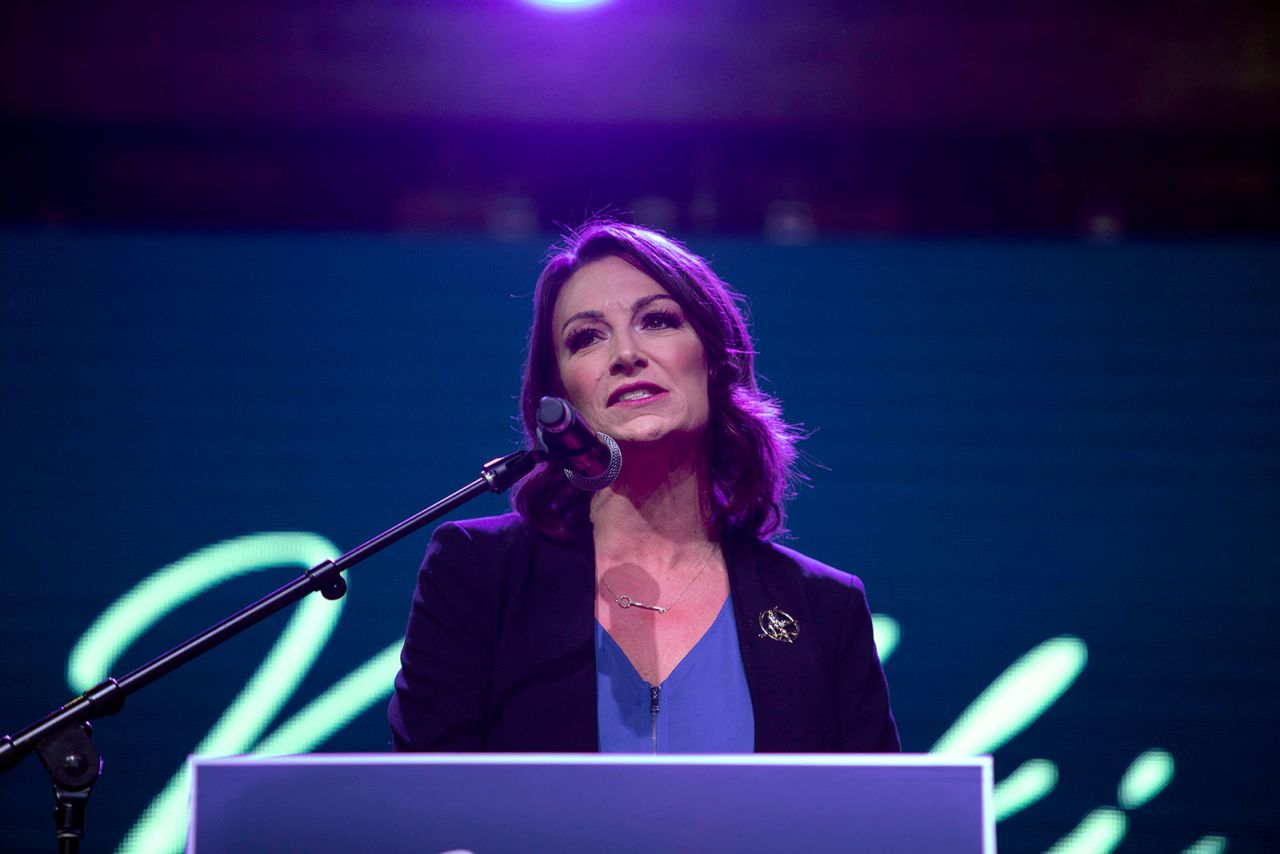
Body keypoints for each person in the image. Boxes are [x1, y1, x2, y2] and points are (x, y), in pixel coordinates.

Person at [389, 219, 898, 753]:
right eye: (586, 338)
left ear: (715, 359)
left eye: (656, 321)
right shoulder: (478, 573)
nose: (625, 354)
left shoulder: (825, 607)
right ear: (558, 396)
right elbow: (427, 810)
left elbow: (877, 824)